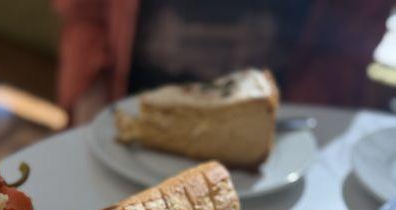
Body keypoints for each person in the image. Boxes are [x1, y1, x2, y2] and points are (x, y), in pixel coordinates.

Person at [53, 0, 394, 125]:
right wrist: (88, 92)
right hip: (128, 107)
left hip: (280, 124)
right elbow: (83, 14)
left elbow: (354, 34)